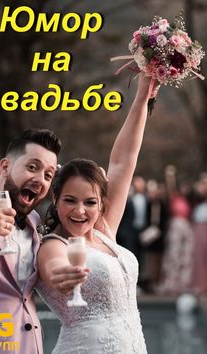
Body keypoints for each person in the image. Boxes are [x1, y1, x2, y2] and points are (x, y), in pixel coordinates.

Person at [37, 73, 160, 354]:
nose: (80, 211)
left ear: (100, 203)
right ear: (55, 198)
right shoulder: (52, 244)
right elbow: (53, 266)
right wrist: (61, 275)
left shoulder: (104, 230)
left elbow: (123, 160)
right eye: (70, 200)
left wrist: (143, 93)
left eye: (90, 202)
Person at [0, 129, 88, 354]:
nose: (39, 179)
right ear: (5, 167)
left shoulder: (34, 221)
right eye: (32, 167)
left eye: (48, 174)